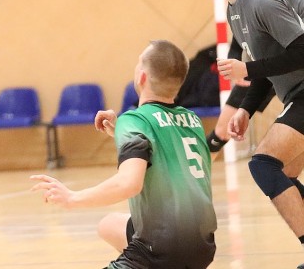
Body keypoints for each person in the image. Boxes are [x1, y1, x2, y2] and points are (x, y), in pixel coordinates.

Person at [31, 40, 217, 268]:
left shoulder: (135, 120)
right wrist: (120, 131)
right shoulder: (192, 120)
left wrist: (72, 198)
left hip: (159, 252)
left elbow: (129, 184)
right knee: (108, 225)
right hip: (202, 248)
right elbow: (166, 150)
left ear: (142, 77)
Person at [208, 0, 304, 255]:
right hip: (296, 95)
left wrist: (246, 69)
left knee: (263, 164)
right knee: (284, 173)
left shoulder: (261, 0)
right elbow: (268, 66)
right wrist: (246, 109)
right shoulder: (234, 8)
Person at [206, 0, 303, 154]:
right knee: (223, 129)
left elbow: (299, 50)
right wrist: (236, 66)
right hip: (263, 71)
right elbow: (238, 43)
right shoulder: (247, 1)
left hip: (292, 69)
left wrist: (247, 69)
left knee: (272, 158)